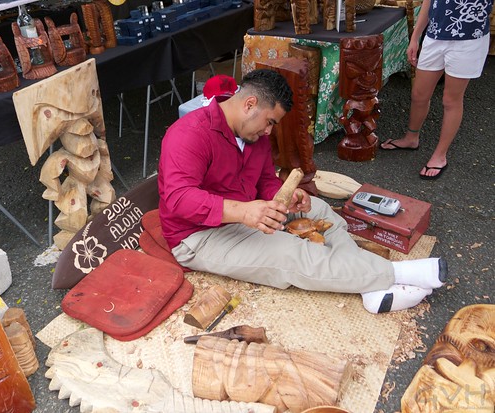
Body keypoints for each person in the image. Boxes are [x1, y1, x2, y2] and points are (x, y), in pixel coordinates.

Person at [158, 69, 448, 314]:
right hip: (198, 235)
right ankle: (394, 274)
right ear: (249, 104)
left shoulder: (253, 134)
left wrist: (282, 196)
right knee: (291, 253)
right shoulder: (189, 133)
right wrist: (244, 211)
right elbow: (178, 198)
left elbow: (263, 181)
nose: (269, 132)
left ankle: (367, 287)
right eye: (269, 122)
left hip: (244, 214)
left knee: (319, 210)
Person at [380, 0, 494, 179]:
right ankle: (411, 138)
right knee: (419, 94)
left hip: (469, 40)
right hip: (435, 35)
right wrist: (415, 37)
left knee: (451, 100)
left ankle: (440, 155)